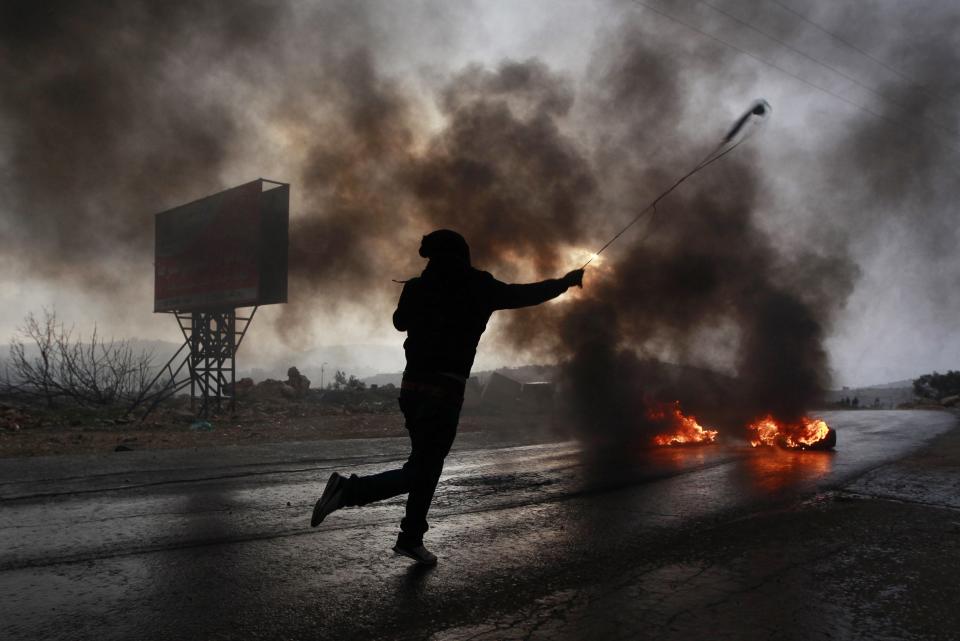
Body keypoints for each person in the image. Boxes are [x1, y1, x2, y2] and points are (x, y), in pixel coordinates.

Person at [310, 229, 584, 565]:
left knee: (426, 464)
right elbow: (522, 295)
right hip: (443, 394)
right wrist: (564, 282)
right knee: (424, 470)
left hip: (412, 390)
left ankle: (411, 538)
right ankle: (348, 491)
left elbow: (399, 322)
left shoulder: (416, 287)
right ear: (462, 254)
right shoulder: (478, 286)